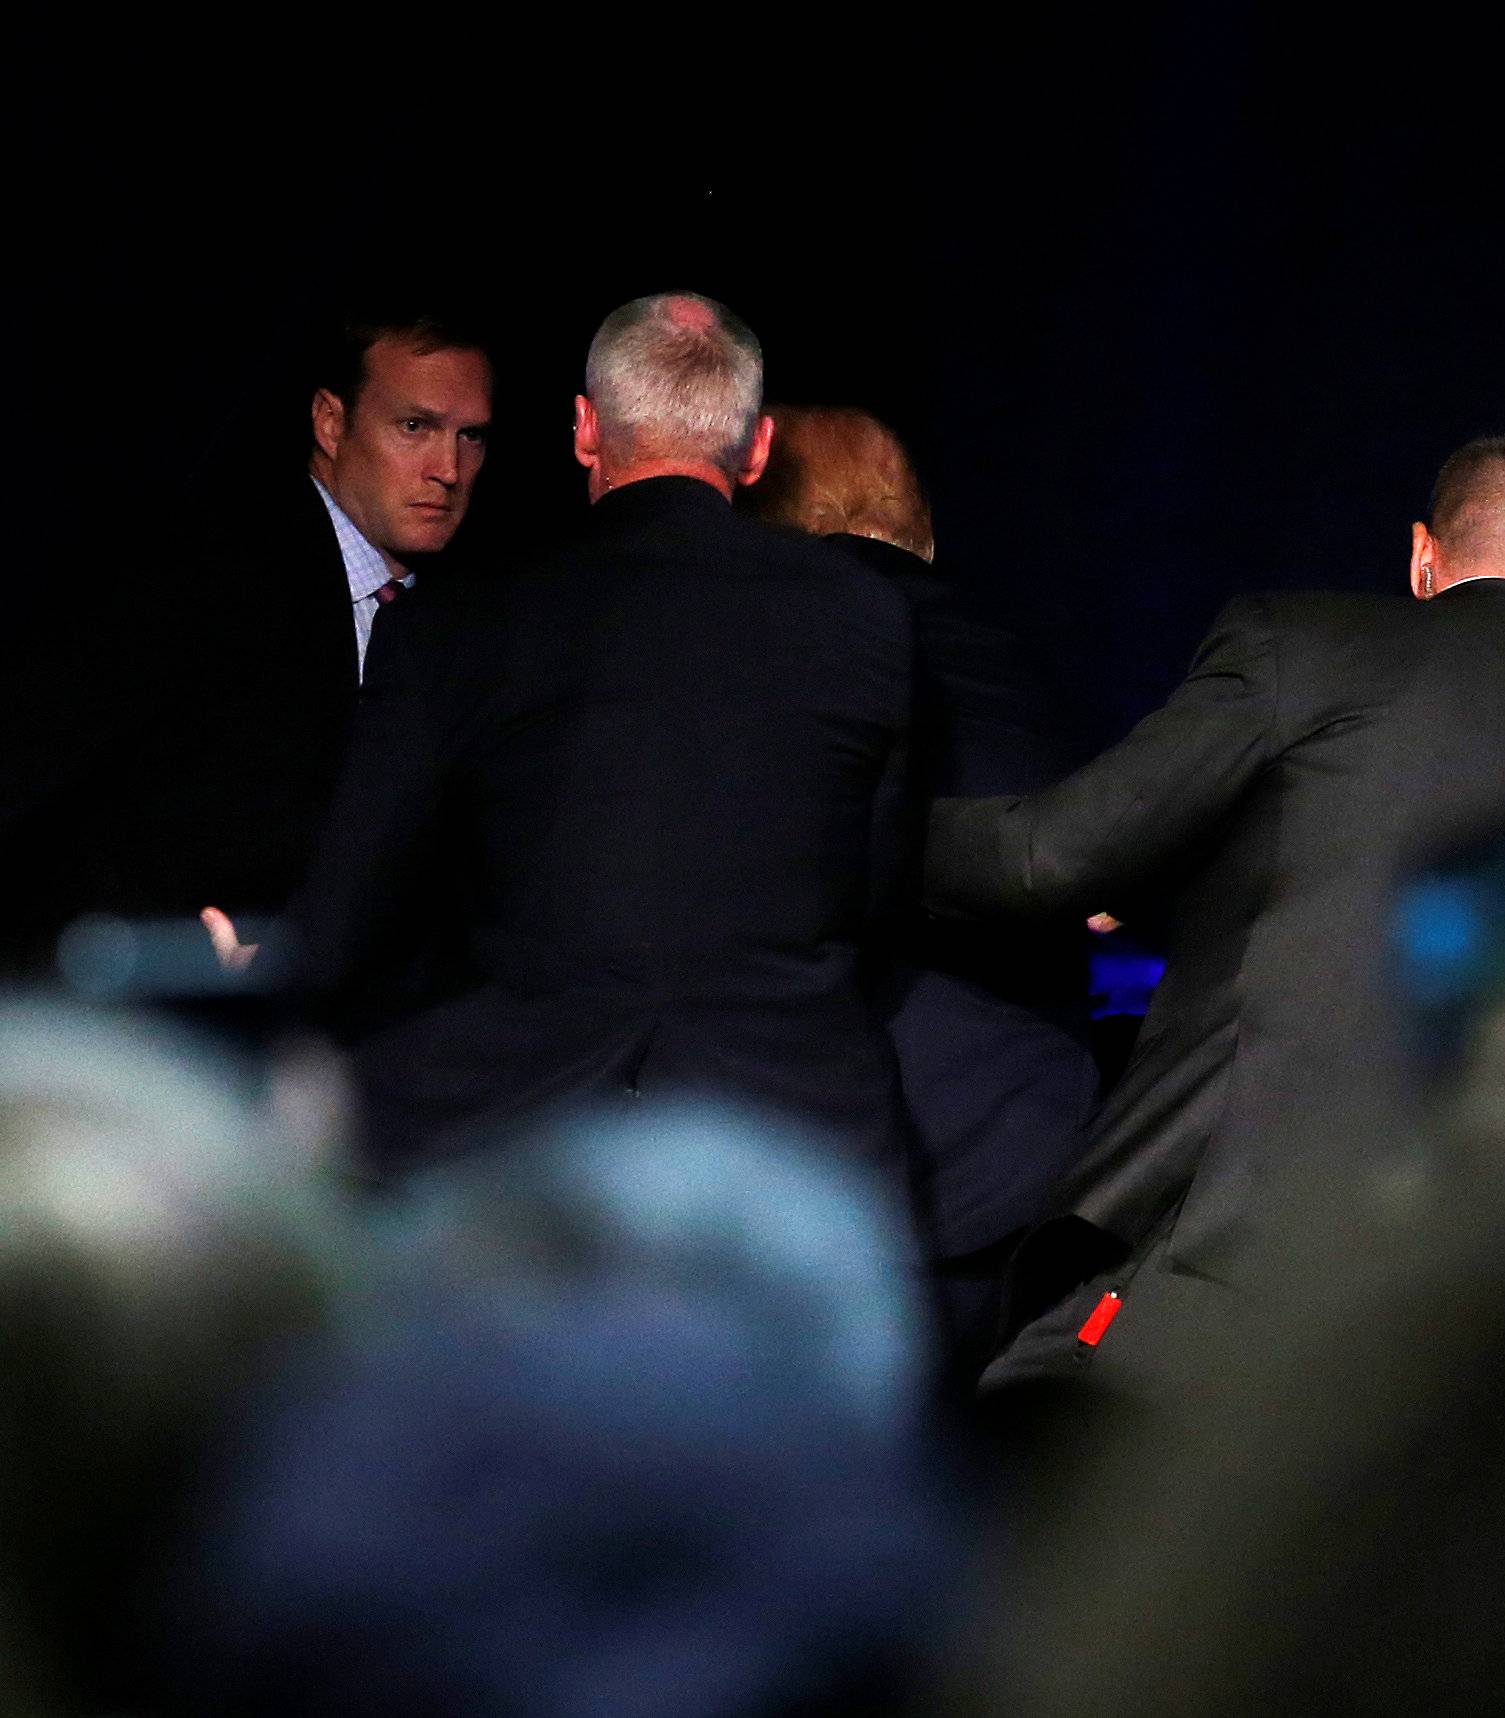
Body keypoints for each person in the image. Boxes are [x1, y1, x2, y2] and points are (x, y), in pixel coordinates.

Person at [925, 436, 1505, 1401]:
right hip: (1437, 1373)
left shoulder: (1306, 649)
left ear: (1424, 556)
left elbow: (1048, 857)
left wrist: (853, 826)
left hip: (1201, 1289)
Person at [291, 294, 916, 1174]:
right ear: (758, 445)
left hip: (522, 1155)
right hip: (796, 1155)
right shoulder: (866, 615)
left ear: (585, 430)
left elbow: (350, 918)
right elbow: (875, 896)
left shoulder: (458, 618)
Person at [744, 405, 1100, 1380]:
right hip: (1029, 1148)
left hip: (833, 1173)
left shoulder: (762, 651)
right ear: (924, 527)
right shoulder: (1022, 653)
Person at [105, 310, 494, 931]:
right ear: (331, 422)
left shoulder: (478, 618)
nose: (447, 469)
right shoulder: (206, 579)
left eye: (471, 436)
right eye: (415, 426)